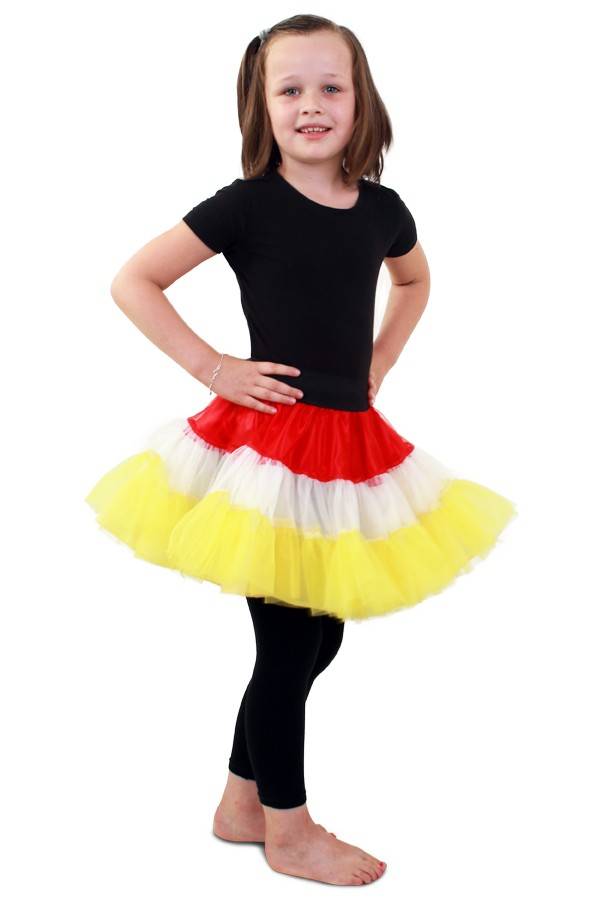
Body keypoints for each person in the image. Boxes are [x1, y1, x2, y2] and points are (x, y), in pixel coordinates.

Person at [84, 15, 517, 887]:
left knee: (321, 640)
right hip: (273, 451)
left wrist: (382, 357)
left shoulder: (383, 210)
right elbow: (135, 279)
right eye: (290, 90)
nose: (311, 104)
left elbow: (415, 278)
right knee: (287, 649)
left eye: (331, 87)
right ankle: (290, 828)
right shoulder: (245, 206)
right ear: (262, 105)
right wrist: (215, 368)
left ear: (362, 102)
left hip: (349, 444)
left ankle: (240, 802)